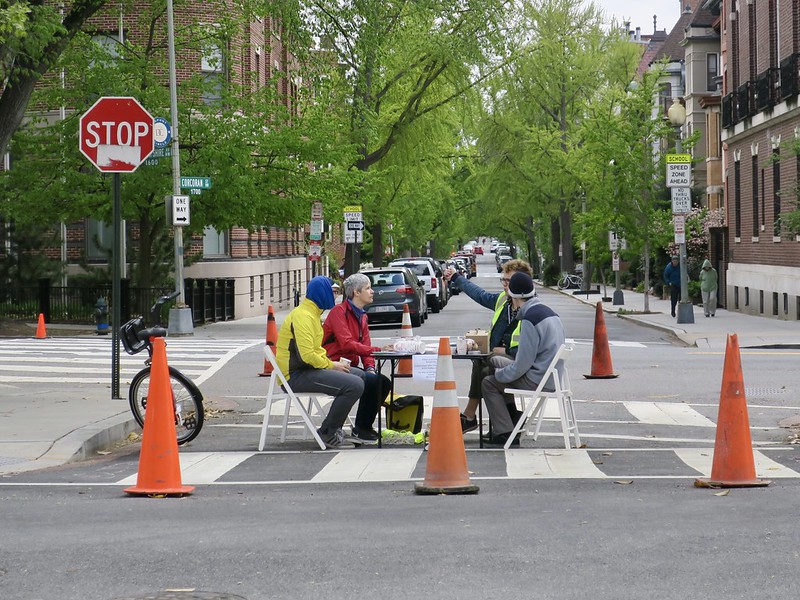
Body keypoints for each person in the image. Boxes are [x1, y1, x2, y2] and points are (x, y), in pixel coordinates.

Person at [275, 275, 366, 448]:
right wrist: (332, 365)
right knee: (354, 385)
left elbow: (316, 351)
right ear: (321, 292)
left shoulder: (313, 314)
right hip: (295, 375)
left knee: (360, 375)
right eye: (332, 292)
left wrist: (334, 364)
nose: (335, 296)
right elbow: (307, 356)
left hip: (307, 370)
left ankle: (338, 428)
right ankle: (328, 433)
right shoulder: (303, 316)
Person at [444, 258, 533, 433]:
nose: (505, 285)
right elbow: (479, 294)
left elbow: (532, 347)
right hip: (499, 358)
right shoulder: (504, 300)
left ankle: (471, 416)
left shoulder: (531, 308)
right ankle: (509, 415)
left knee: (485, 367)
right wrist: (456, 277)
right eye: (504, 280)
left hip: (520, 361)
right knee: (483, 362)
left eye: (509, 281)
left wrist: (506, 350)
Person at [480, 272, 566, 447]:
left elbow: (522, 365)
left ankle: (504, 432)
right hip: (550, 376)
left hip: (536, 379)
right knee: (492, 360)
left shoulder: (530, 320)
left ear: (513, 297)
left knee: (488, 383)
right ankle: (513, 418)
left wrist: (499, 375)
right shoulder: (549, 313)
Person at [322, 273, 393, 442]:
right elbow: (346, 344)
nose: (372, 292)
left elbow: (365, 345)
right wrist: (376, 350)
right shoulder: (339, 312)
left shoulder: (362, 316)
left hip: (350, 366)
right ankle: (359, 429)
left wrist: (370, 367)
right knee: (370, 381)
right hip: (333, 364)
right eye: (368, 288)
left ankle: (363, 427)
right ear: (356, 292)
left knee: (381, 381)